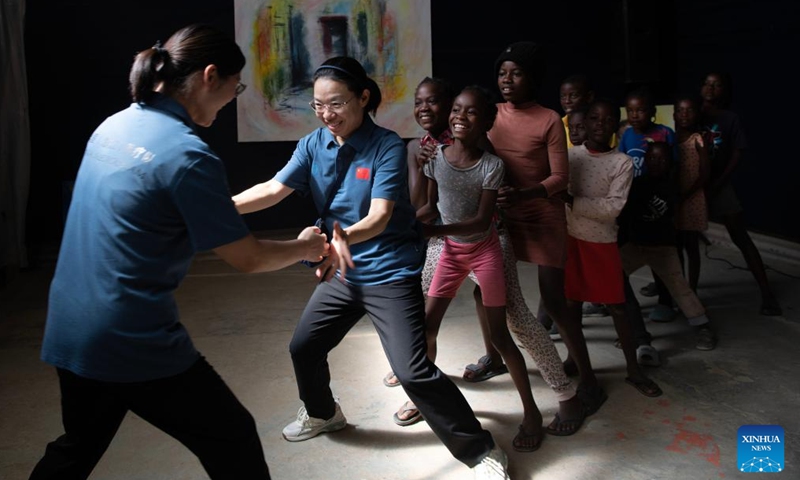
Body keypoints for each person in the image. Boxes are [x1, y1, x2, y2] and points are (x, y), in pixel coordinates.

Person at [28, 24, 340, 480]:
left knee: (77, 446)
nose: (236, 96)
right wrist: (304, 246)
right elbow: (247, 258)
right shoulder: (188, 154)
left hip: (70, 326)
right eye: (238, 86)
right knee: (233, 439)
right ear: (210, 76)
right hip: (131, 336)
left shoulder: (113, 125)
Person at [231, 57, 510, 479]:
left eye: (337, 103)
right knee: (304, 347)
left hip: (389, 272)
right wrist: (220, 209)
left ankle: (480, 450)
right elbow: (273, 189)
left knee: (412, 370)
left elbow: (379, 217)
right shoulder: (312, 145)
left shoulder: (387, 146)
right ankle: (324, 413)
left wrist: (335, 241)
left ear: (363, 97)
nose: (327, 114)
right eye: (318, 105)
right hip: (343, 273)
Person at [386, 79, 583, 439]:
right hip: (446, 242)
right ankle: (421, 387)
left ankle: (564, 393)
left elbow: (482, 201)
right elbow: (423, 207)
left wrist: (433, 229)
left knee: (517, 319)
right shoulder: (421, 147)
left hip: (489, 240)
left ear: (449, 106)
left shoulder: (477, 143)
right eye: (419, 102)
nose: (425, 108)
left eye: (434, 102)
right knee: (422, 314)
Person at [486, 41, 607, 416]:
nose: (507, 80)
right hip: (503, 215)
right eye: (503, 72)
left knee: (555, 301)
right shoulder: (489, 114)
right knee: (487, 294)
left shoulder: (549, 119)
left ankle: (588, 378)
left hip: (541, 215)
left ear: (533, 78)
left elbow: (560, 178)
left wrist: (526, 194)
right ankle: (494, 357)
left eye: (516, 72)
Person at [562, 98, 662, 398]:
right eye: (594, 118)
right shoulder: (570, 156)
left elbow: (613, 207)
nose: (599, 125)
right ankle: (573, 359)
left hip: (602, 242)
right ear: (585, 122)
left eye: (608, 120)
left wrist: (571, 202)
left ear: (617, 127)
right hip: (571, 239)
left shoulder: (622, 163)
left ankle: (633, 369)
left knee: (617, 307)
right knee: (572, 305)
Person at [617, 141, 718, 354]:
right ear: (645, 160)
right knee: (613, 276)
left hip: (662, 248)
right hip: (636, 246)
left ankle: (703, 327)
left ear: (669, 162)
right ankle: (634, 331)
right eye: (652, 158)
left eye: (662, 159)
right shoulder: (636, 183)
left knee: (680, 288)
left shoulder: (671, 186)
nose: (656, 162)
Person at [699, 71, 782, 316]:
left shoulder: (729, 118)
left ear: (725, 90)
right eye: (707, 83)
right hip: (693, 185)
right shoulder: (692, 113)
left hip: (719, 184)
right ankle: (669, 289)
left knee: (740, 236)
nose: (711, 88)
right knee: (675, 240)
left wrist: (721, 181)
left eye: (717, 84)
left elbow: (737, 152)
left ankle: (766, 292)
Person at [619, 87, 677, 322]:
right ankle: (617, 298)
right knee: (627, 252)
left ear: (652, 112)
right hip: (633, 202)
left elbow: (674, 167)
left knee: (660, 252)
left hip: (658, 203)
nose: (635, 115)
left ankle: (666, 299)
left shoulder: (666, 132)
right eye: (631, 111)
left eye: (640, 110)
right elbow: (621, 164)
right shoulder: (626, 135)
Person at [673, 94, 710, 292]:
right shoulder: (670, 137)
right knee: (675, 247)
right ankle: (680, 288)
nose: (684, 114)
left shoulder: (698, 139)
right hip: (675, 200)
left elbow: (705, 174)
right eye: (680, 110)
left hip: (692, 199)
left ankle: (692, 290)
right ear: (674, 114)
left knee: (691, 247)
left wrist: (685, 195)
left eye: (689, 110)